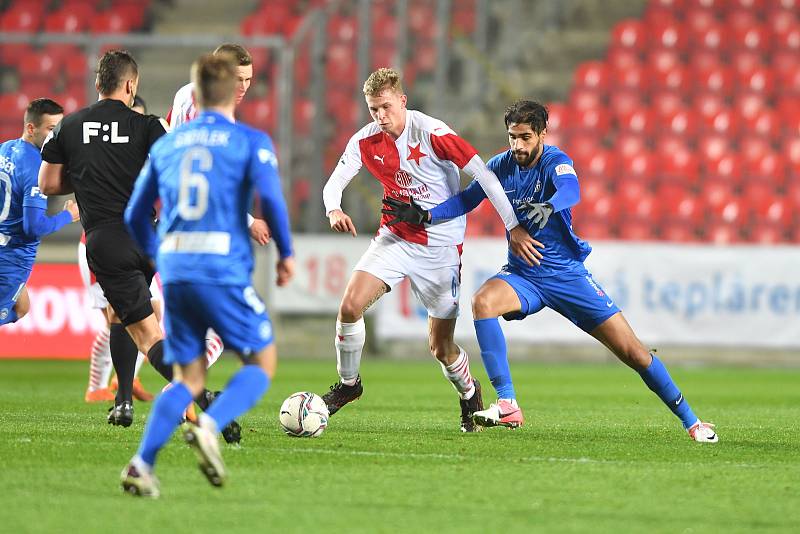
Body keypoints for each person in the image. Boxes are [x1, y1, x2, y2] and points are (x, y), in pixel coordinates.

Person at [382, 99, 719, 443]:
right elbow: (467, 200)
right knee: (482, 302)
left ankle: (692, 421)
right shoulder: (500, 165)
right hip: (524, 275)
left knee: (634, 353)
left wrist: (550, 205)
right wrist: (426, 216)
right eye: (512, 137)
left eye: (526, 137)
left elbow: (572, 190)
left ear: (543, 133)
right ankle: (508, 402)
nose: (518, 146)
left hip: (567, 276)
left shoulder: (556, 161)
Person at [321, 67, 542, 432]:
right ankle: (349, 385)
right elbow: (335, 183)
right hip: (395, 237)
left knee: (440, 347)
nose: (380, 116)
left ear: (403, 101)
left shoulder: (433, 133)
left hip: (440, 246)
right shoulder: (365, 140)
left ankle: (469, 393)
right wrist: (333, 208)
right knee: (349, 306)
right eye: (374, 109)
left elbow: (485, 176)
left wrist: (513, 226)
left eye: (387, 107)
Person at [120, 53, 294, 497]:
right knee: (262, 359)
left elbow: (136, 214)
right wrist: (286, 254)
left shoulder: (166, 145)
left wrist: (160, 255)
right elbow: (271, 203)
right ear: (230, 90)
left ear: (194, 95)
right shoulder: (250, 140)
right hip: (220, 266)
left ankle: (142, 464)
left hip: (176, 269)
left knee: (188, 378)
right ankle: (210, 425)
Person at [39, 49, 174, 427]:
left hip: (105, 241)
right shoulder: (150, 125)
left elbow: (48, 184)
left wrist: (85, 177)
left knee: (135, 322)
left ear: (98, 84)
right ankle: (123, 398)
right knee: (125, 315)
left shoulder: (70, 125)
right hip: (147, 238)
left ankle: (187, 392)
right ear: (131, 85)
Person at [0, 99, 79, 326]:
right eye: (51, 130)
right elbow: (33, 227)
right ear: (31, 128)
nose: (57, 137)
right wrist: (69, 215)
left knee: (22, 305)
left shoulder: (4, 149)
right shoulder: (35, 166)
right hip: (10, 259)